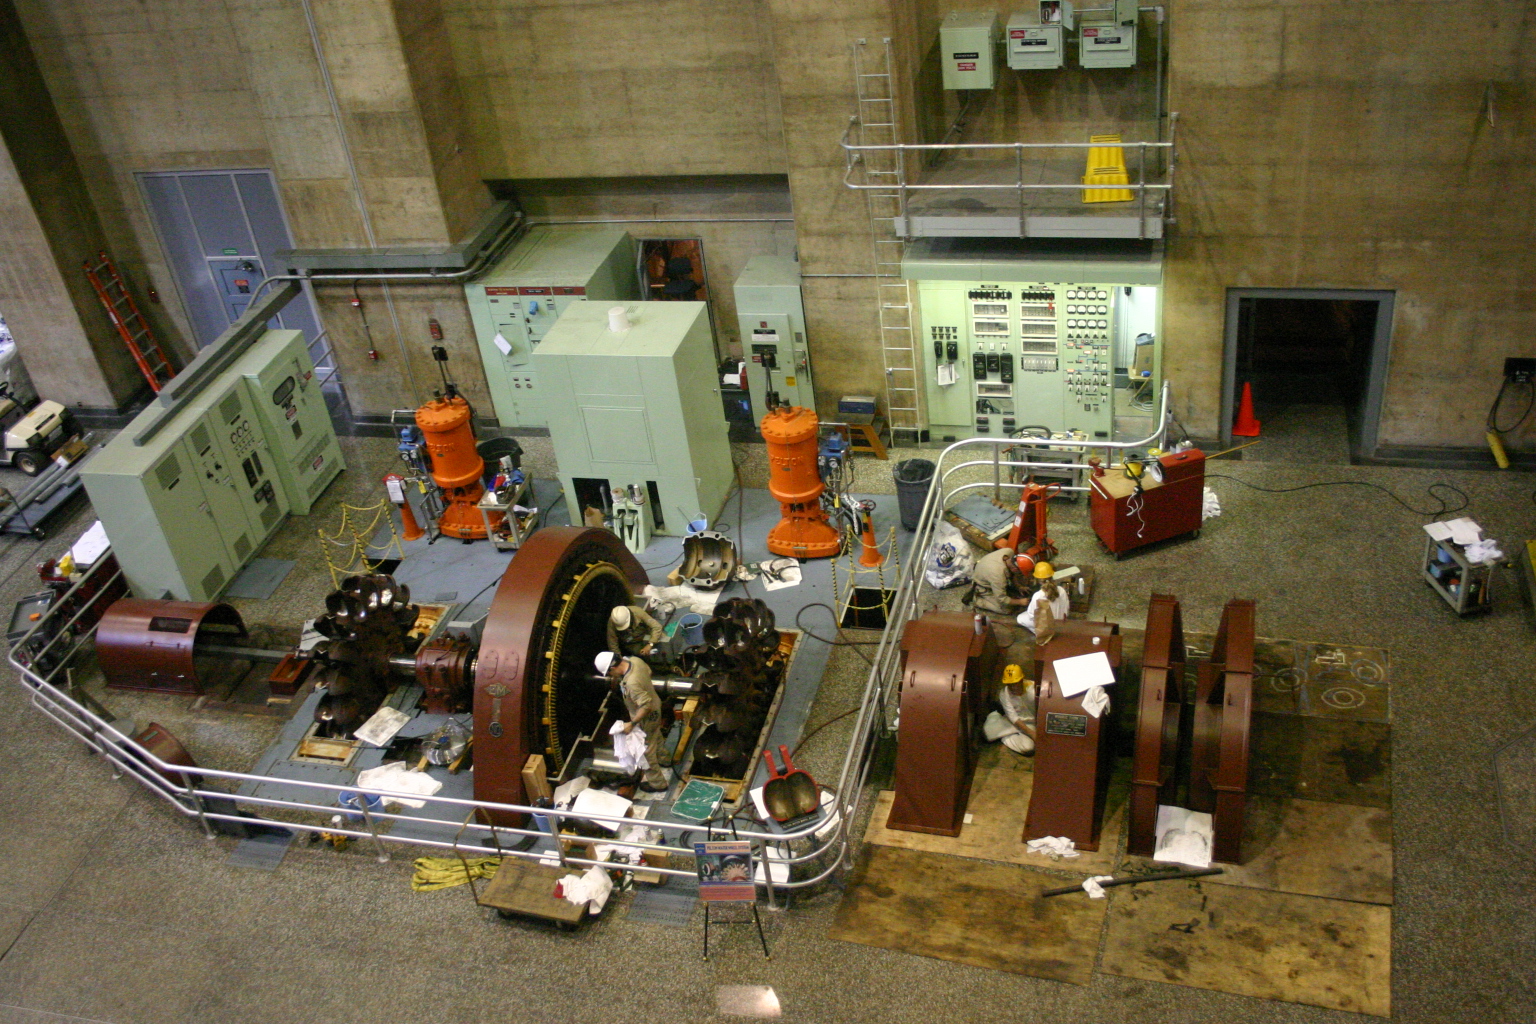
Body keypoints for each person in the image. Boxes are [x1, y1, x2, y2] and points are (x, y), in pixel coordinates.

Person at [595, 650, 669, 792]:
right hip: (656, 707)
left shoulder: (631, 683)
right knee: (656, 736)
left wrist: (632, 723)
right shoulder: (635, 660)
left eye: (610, 673)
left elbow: (645, 706)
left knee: (645, 751)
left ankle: (658, 784)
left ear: (612, 668)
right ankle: (665, 759)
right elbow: (648, 671)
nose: (611, 676)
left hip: (646, 717)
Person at [971, 546, 1035, 654]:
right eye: (1020, 572)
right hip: (983, 586)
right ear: (1015, 568)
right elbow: (1002, 599)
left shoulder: (1009, 552)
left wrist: (1019, 587)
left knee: (1010, 590)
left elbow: (1013, 574)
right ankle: (978, 600)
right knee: (1006, 609)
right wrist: (1020, 602)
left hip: (989, 574)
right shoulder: (998, 575)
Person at [1017, 569, 1070, 642]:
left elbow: (1031, 615)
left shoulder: (1038, 595)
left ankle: (1043, 634)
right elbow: (1066, 608)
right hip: (1060, 622)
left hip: (1047, 626)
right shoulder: (1062, 590)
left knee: (1020, 618)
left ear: (1038, 580)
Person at [995, 663, 1035, 755]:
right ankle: (1006, 737)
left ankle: (1009, 732)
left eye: (1015, 683)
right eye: (1010, 684)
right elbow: (1013, 717)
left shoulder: (1033, 689)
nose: (1013, 687)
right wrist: (1032, 733)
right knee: (1028, 748)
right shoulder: (1004, 693)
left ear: (1021, 680)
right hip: (1017, 723)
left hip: (1034, 723)